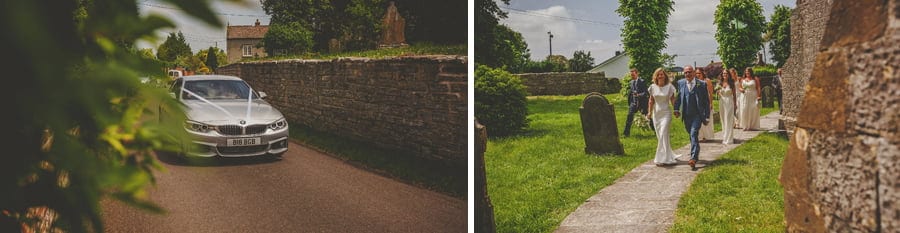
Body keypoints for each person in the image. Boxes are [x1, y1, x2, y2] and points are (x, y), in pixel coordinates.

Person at [674, 65, 710, 170]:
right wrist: (676, 109)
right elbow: (679, 98)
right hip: (686, 115)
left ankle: (693, 158)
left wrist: (706, 116)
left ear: (694, 73)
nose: (687, 74)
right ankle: (695, 153)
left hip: (697, 115)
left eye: (689, 72)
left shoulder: (701, 84)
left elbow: (706, 102)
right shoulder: (681, 83)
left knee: (694, 133)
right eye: (685, 73)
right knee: (691, 135)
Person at [647, 68, 680, 166]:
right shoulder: (652, 87)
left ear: (665, 76)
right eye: (658, 74)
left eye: (662, 74)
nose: (660, 76)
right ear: (656, 76)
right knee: (661, 136)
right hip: (656, 115)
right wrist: (649, 112)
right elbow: (651, 100)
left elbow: (673, 99)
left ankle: (660, 159)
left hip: (666, 113)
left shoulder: (669, 86)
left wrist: (676, 110)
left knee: (663, 133)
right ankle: (667, 155)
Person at [623, 68, 652, 136]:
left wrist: (638, 95)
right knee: (629, 116)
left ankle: (655, 130)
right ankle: (626, 133)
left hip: (642, 103)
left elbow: (646, 93)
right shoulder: (631, 82)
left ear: (637, 73)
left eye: (633, 75)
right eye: (631, 75)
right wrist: (630, 103)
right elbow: (631, 93)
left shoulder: (642, 81)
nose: (632, 76)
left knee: (647, 117)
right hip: (633, 103)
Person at [718, 69, 737, 145]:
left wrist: (735, 104)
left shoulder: (732, 83)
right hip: (722, 102)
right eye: (723, 73)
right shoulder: (719, 83)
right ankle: (724, 136)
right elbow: (718, 93)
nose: (724, 74)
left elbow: (734, 95)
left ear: (728, 75)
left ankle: (729, 138)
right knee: (723, 119)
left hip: (729, 101)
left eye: (726, 73)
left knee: (728, 119)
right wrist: (718, 93)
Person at [695, 68, 714, 141]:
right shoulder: (696, 82)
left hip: (706, 102)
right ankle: (701, 136)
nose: (698, 75)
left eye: (699, 73)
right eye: (696, 73)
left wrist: (711, 103)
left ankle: (707, 136)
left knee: (706, 118)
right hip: (699, 103)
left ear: (702, 73)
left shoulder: (707, 81)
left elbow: (711, 93)